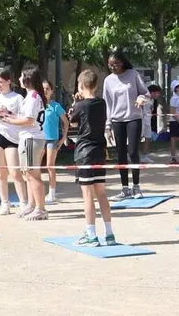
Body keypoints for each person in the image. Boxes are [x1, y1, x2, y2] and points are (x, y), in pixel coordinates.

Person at [72, 70, 115, 247]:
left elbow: (74, 123)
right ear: (96, 85)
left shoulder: (80, 106)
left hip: (84, 153)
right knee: (101, 193)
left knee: (87, 195)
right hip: (99, 151)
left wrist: (76, 102)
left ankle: (91, 234)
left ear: (81, 86)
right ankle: (109, 233)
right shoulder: (102, 103)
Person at [1, 67, 48, 220]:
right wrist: (9, 115)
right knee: (27, 174)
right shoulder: (31, 96)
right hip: (28, 138)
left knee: (33, 175)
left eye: (21, 76)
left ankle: (40, 208)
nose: (19, 79)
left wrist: (10, 120)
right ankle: (31, 205)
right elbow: (26, 117)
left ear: (27, 79)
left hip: (31, 138)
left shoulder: (33, 97)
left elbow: (29, 121)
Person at [103, 51, 150, 201]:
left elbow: (146, 93)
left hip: (133, 118)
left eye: (115, 64)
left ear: (122, 62)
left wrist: (142, 98)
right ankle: (125, 188)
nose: (113, 67)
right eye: (110, 65)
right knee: (121, 153)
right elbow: (108, 104)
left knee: (132, 152)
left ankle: (136, 186)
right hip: (117, 120)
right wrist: (107, 124)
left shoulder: (133, 74)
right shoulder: (108, 80)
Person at [0, 69, 26, 216]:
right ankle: (4, 203)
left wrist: (8, 113)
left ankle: (23, 202)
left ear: (9, 81)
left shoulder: (18, 98)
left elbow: (23, 118)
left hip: (13, 137)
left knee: (15, 172)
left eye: (1, 82)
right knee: (0, 172)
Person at [41, 79, 69, 204]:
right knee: (34, 167)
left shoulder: (55, 105)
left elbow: (66, 122)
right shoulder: (37, 105)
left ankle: (52, 194)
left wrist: (63, 138)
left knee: (50, 166)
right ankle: (37, 192)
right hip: (39, 139)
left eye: (47, 88)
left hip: (52, 139)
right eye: (43, 89)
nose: (45, 91)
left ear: (51, 91)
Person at [140, 84, 162, 164]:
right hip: (141, 121)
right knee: (137, 139)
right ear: (152, 92)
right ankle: (131, 154)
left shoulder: (152, 100)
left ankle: (145, 156)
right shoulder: (143, 98)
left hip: (147, 122)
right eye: (158, 93)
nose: (158, 95)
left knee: (148, 138)